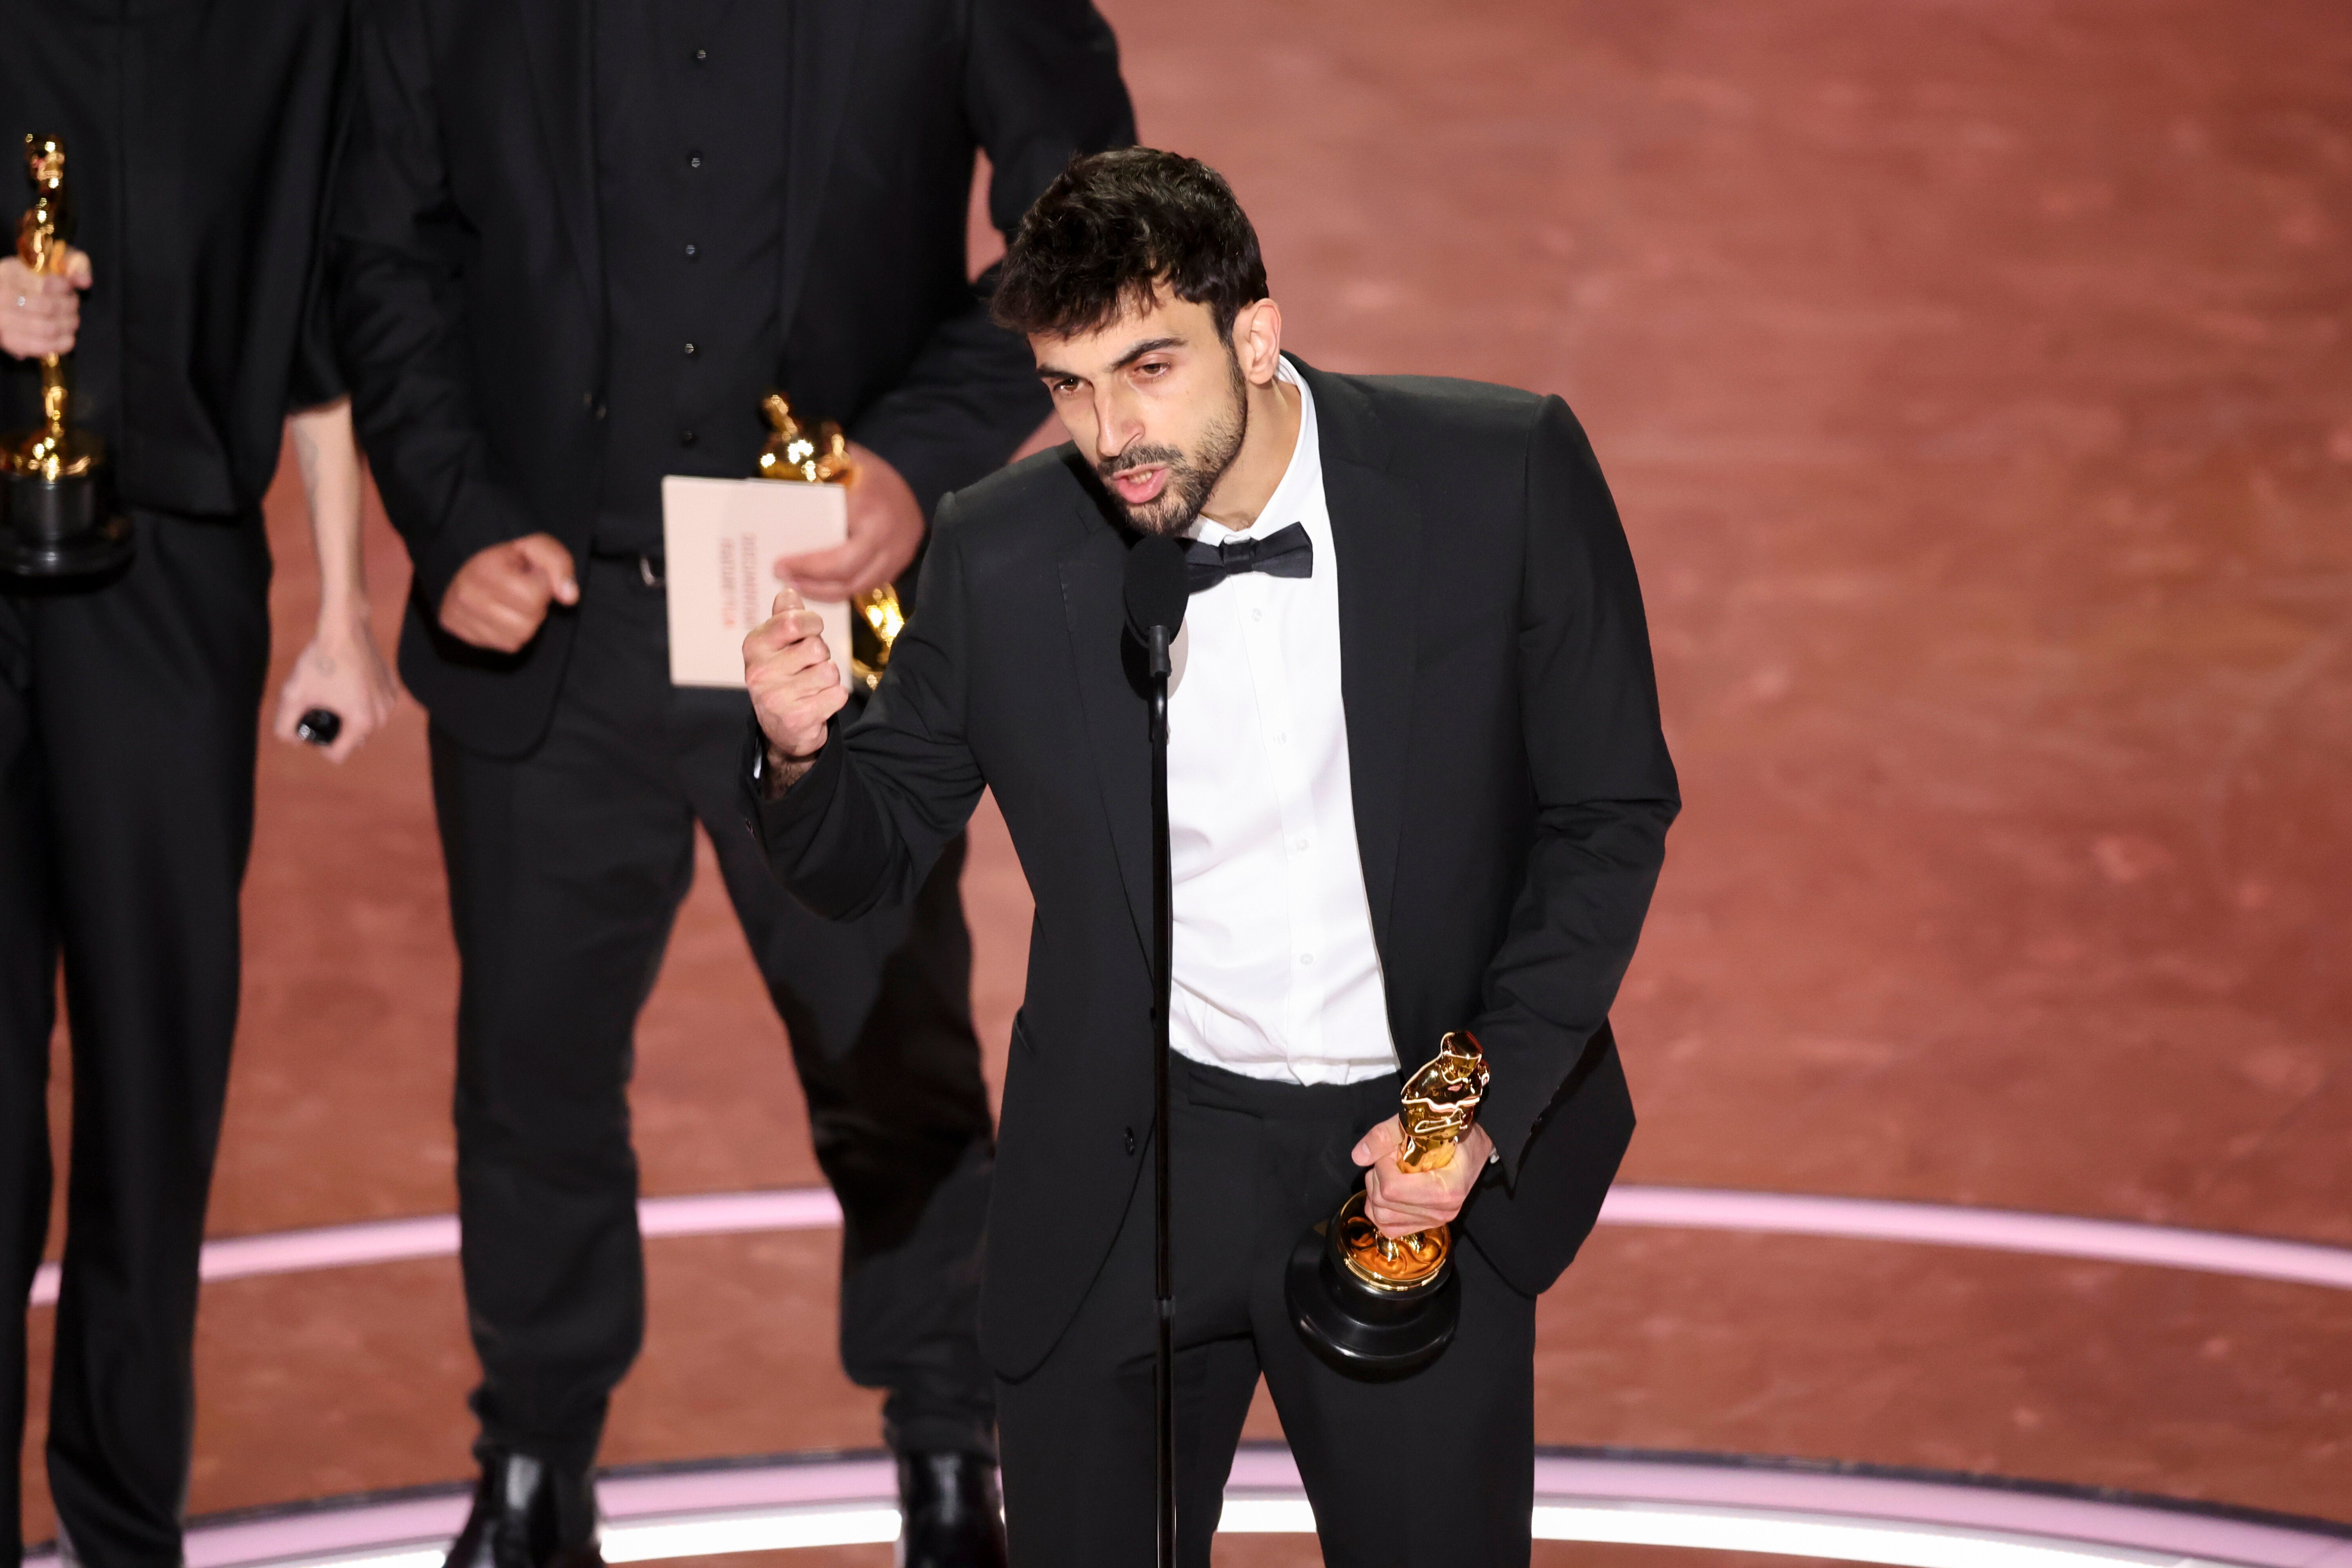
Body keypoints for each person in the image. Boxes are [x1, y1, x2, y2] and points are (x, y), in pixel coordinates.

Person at [742, 148, 1681, 1566]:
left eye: (1149, 368)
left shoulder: (1501, 475)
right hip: (1127, 1167)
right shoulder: (1002, 554)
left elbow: (1608, 812)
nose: (1111, 432)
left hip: (1403, 1161)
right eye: (1069, 387)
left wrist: (1473, 1117)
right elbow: (861, 860)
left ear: (1255, 333)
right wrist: (802, 755)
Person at [330, 3, 1132, 1564]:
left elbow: (1093, 210)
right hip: (557, 614)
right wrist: (453, 508)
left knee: (893, 1056)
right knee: (532, 1075)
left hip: (826, 603)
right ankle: (533, 1470)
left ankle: (950, 1459)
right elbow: (380, 247)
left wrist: (919, 449)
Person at [0, 6, 394, 1564]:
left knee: (156, 1075)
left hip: (170, 578)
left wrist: (343, 612)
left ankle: (121, 1529)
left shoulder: (290, 26)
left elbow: (320, 321)